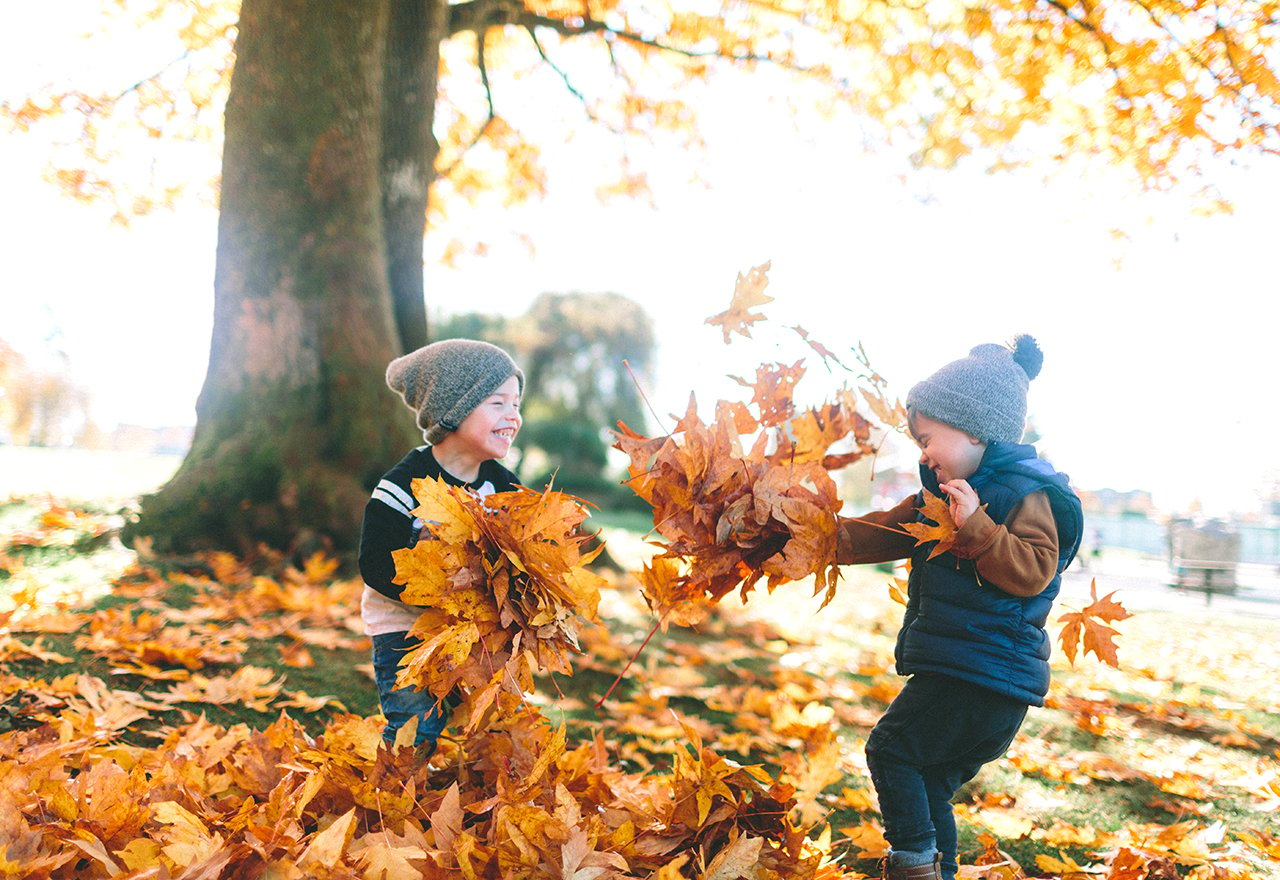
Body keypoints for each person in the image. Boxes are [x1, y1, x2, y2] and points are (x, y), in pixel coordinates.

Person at [835, 336, 1083, 880]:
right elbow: (880, 532)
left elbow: (1034, 569)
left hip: (980, 674)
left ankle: (913, 866)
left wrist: (977, 527)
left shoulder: (1026, 493)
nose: (921, 453)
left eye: (927, 438)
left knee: (892, 750)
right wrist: (812, 540)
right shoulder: (942, 494)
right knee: (928, 780)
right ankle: (938, 870)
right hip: (974, 674)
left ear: (974, 428)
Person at [358, 338, 524, 754]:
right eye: (497, 403)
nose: (513, 416)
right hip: (405, 626)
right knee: (416, 721)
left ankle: (484, 792)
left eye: (516, 404)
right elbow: (375, 564)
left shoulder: (504, 488)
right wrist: (436, 598)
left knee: (497, 715)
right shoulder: (402, 485)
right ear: (453, 409)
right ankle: (399, 793)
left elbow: (527, 549)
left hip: (478, 630)